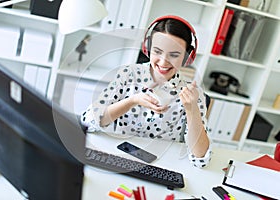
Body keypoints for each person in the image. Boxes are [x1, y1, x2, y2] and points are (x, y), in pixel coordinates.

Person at [81, 15, 212, 168]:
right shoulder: (128, 75)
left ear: (187, 57)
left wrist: (192, 110)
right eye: (157, 51)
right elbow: (88, 122)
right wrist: (132, 101)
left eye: (174, 55)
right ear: (147, 48)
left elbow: (200, 159)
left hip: (162, 167)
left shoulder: (193, 94)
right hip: (120, 161)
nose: (163, 62)